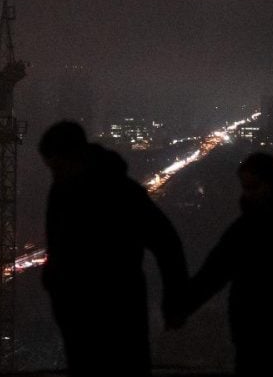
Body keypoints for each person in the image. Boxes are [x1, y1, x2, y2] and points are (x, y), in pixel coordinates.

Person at [38, 121, 188, 376]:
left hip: (117, 315)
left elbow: (167, 243)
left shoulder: (119, 193)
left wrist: (174, 302)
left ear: (75, 157)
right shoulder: (64, 190)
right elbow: (167, 244)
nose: (54, 173)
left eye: (57, 166)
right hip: (89, 316)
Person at [180, 152, 273, 374]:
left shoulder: (250, 229)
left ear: (271, 184)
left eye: (253, 187)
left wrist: (180, 307)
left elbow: (214, 273)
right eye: (245, 187)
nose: (247, 194)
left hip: (257, 336)